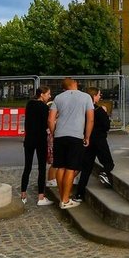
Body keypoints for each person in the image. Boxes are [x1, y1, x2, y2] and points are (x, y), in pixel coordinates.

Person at [48, 77, 94, 209]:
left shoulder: (58, 98)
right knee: (71, 167)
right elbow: (90, 119)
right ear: (74, 84)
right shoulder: (85, 97)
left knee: (60, 166)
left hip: (60, 135)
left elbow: (51, 120)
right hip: (75, 135)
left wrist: (53, 133)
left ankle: (62, 196)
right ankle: (66, 200)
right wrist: (87, 136)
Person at [72, 87, 115, 202]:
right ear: (94, 96)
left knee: (86, 168)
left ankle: (79, 194)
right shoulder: (98, 110)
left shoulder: (83, 109)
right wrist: (105, 113)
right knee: (109, 163)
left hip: (87, 140)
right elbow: (106, 126)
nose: (100, 97)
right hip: (99, 140)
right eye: (99, 95)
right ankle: (105, 173)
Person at [20, 86, 53, 206]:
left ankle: (23, 194)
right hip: (40, 139)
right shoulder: (44, 107)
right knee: (41, 168)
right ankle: (41, 196)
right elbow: (47, 123)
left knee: (27, 167)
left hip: (29, 139)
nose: (49, 96)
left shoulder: (29, 104)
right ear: (42, 94)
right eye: (48, 94)